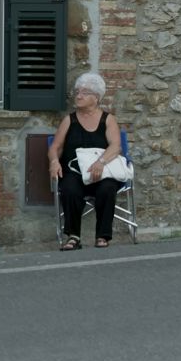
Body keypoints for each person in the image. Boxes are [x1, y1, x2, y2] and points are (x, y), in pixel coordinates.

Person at [49, 72, 124, 250]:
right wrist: (53, 161)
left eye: (84, 92)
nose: (79, 96)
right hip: (74, 172)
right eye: (77, 92)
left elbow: (116, 146)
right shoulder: (69, 120)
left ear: (96, 97)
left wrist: (101, 162)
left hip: (100, 171)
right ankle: (73, 236)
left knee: (108, 188)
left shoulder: (108, 119)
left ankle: (102, 236)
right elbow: (56, 147)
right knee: (69, 189)